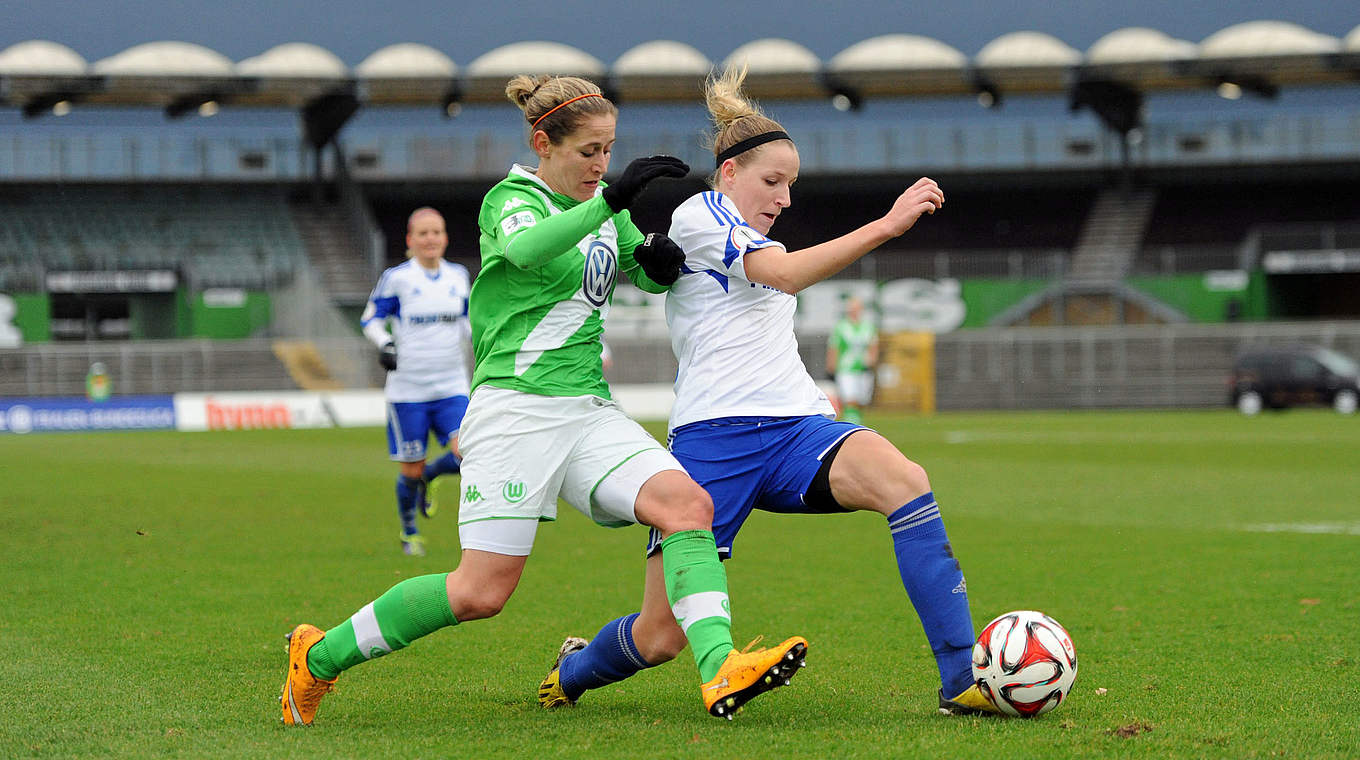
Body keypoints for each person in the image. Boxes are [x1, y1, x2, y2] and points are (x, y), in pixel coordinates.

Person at [281, 74, 806, 727]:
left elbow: (629, 266)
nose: (601, 165)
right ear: (543, 142)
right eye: (588, 151)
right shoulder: (512, 199)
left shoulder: (603, 208)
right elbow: (529, 252)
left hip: (587, 410)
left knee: (687, 505)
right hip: (515, 410)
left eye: (609, 151)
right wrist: (612, 200)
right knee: (480, 592)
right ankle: (318, 657)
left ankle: (721, 665)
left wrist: (658, 260)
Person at [538, 66, 998, 717]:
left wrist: (816, 398)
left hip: (796, 431)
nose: (784, 197)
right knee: (661, 635)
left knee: (906, 481)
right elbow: (781, 276)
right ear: (728, 174)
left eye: (791, 185)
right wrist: (887, 225)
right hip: (713, 442)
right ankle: (573, 670)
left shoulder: (751, 231)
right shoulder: (700, 216)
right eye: (772, 181)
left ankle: (961, 680)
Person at [360, 207, 472, 557]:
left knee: (468, 452)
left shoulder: (459, 276)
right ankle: (409, 532)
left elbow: (469, 323)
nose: (430, 239)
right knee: (410, 467)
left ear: (445, 238)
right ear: (410, 240)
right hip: (408, 390)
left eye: (436, 232)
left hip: (452, 385)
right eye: (422, 233)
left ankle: (431, 475)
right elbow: (371, 318)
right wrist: (385, 344)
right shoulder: (398, 278)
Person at [827, 295, 879, 424]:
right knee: (850, 398)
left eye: (856, 308)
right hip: (846, 368)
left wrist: (872, 362)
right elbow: (834, 347)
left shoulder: (868, 327)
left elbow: (873, 346)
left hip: (863, 368)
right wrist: (831, 366)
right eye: (852, 308)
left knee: (862, 401)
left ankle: (855, 422)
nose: (854, 311)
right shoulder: (841, 327)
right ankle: (852, 426)